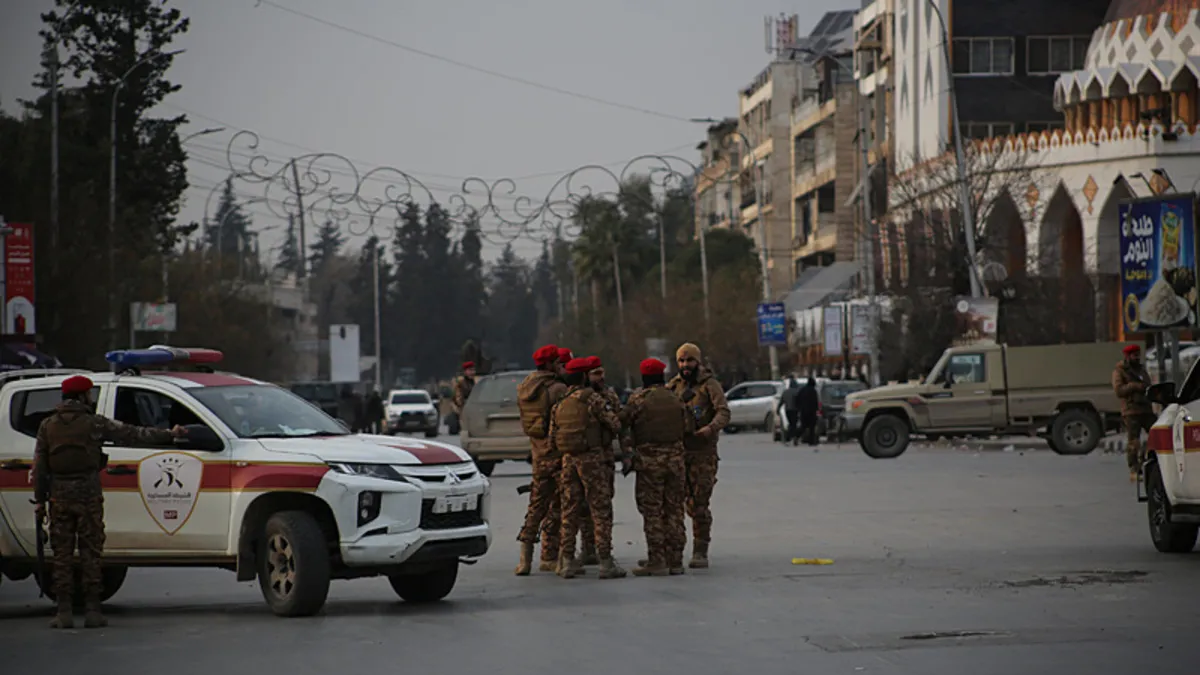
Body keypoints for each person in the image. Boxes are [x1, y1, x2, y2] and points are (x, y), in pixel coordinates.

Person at [33, 375, 187, 629]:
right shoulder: (94, 423)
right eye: (89, 394)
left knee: (61, 555)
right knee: (90, 553)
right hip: (88, 495)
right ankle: (93, 611)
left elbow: (40, 467)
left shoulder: (47, 426)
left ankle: (64, 613)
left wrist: (40, 500)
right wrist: (170, 435)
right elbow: (133, 433)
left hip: (59, 496)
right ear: (82, 396)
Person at [551, 357, 625, 579]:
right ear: (584, 376)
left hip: (568, 461)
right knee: (600, 509)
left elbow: (551, 437)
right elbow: (615, 424)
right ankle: (605, 562)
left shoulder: (560, 403)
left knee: (569, 510)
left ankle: (566, 561)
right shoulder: (592, 399)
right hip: (592, 459)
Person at [623, 358, 692, 576]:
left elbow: (622, 422)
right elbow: (688, 426)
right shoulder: (676, 398)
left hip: (649, 462)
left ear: (644, 377)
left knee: (652, 511)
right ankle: (676, 560)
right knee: (675, 510)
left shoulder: (638, 400)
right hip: (676, 461)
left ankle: (657, 559)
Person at [666, 342, 730, 569]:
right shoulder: (673, 386)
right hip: (679, 453)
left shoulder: (709, 385)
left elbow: (723, 412)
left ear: (697, 361)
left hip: (703, 453)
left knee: (699, 504)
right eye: (681, 361)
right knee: (674, 504)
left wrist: (711, 429)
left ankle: (700, 550)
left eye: (689, 360)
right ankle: (672, 551)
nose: (685, 365)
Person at [515, 344, 569, 575]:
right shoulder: (557, 389)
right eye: (558, 362)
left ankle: (525, 559)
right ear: (549, 365)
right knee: (559, 505)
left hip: (538, 454)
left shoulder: (526, 387)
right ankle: (551, 557)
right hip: (556, 454)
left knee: (535, 507)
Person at [575, 356, 628, 567]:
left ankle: (602, 549)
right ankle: (588, 549)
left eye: (601, 372)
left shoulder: (609, 395)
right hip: (582, 458)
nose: (600, 377)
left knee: (602, 505)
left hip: (604, 459)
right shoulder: (578, 396)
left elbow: (620, 427)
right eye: (595, 373)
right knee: (582, 507)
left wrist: (626, 453)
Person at [1113, 344, 1154, 482]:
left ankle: (1145, 460)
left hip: (1146, 409)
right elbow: (1119, 390)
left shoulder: (1141, 369)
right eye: (1134, 355)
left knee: (1156, 434)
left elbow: (1148, 384)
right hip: (1131, 411)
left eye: (1138, 355)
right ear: (1127, 356)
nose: (1137, 357)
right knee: (1133, 441)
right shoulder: (1120, 371)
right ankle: (1134, 469)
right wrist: (1134, 386)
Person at [449, 361, 477, 434]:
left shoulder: (475, 382)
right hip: (462, 407)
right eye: (470, 370)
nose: (472, 372)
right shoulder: (460, 382)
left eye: (473, 370)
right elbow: (458, 397)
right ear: (465, 372)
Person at [797, 377, 820, 446]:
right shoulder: (813, 391)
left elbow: (797, 399)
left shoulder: (802, 390)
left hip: (803, 411)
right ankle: (811, 441)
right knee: (811, 427)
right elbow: (815, 401)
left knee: (803, 426)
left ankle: (796, 436)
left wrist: (799, 408)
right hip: (811, 411)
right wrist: (817, 409)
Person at [780, 377, 801, 444]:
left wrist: (778, 409)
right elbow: (800, 401)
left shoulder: (785, 392)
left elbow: (781, 402)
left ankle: (789, 438)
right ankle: (791, 437)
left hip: (787, 410)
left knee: (791, 423)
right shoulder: (797, 392)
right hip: (795, 410)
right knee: (794, 424)